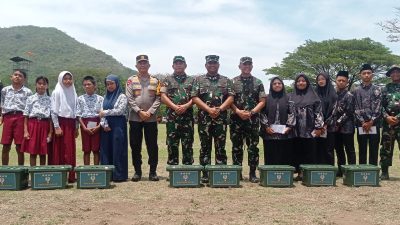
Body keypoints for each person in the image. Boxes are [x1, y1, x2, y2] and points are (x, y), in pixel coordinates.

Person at [192, 55, 234, 183]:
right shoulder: (198, 80)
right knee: (205, 146)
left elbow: (231, 98)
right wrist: (208, 109)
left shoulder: (226, 80)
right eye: (210, 63)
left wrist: (220, 109)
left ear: (218, 65)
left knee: (220, 146)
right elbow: (194, 97)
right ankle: (205, 173)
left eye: (214, 63)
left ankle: (220, 172)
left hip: (220, 119)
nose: (212, 65)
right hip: (204, 119)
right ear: (206, 65)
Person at [230, 57, 266, 182]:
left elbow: (262, 101)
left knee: (253, 147)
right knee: (236, 147)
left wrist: (251, 112)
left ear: (252, 66)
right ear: (239, 66)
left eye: (249, 64)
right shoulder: (232, 82)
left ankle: (252, 173)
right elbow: (229, 101)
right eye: (244, 64)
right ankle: (237, 172)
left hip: (253, 120)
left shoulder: (258, 82)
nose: (247, 66)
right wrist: (238, 111)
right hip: (236, 119)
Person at [126, 55, 161, 182]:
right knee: (135, 145)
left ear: (149, 65)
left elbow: (158, 98)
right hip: (135, 118)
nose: (142, 65)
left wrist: (150, 112)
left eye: (145, 63)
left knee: (152, 145)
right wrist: (139, 111)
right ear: (136, 66)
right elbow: (129, 98)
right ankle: (137, 171)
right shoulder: (131, 80)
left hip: (151, 119)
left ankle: (153, 171)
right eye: (140, 63)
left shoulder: (156, 81)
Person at [160, 56, 194, 165]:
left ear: (185, 65)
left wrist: (186, 106)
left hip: (187, 117)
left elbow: (195, 97)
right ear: (173, 66)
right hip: (172, 118)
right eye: (176, 63)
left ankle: (188, 170)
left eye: (181, 63)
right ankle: (173, 170)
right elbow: (163, 96)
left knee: (187, 144)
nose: (179, 65)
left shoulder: (192, 80)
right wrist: (175, 107)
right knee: (172, 144)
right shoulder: (166, 80)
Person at [290, 73, 324, 180]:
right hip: (295, 131)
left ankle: (309, 174)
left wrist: (319, 127)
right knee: (297, 151)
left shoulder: (314, 97)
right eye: (298, 81)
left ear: (307, 83)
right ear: (296, 83)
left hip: (310, 131)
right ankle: (299, 173)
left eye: (303, 81)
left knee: (310, 152)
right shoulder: (291, 97)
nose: (301, 83)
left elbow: (318, 113)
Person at [50, 71, 78, 183]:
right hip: (60, 123)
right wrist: (56, 126)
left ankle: (71, 176)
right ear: (60, 80)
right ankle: (58, 175)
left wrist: (76, 127)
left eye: (69, 78)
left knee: (70, 149)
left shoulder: (74, 92)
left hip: (71, 124)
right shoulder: (56, 92)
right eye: (65, 79)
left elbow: (76, 111)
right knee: (59, 149)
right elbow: (53, 111)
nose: (68, 81)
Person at [99, 74, 128, 182]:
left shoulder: (122, 96)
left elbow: (120, 110)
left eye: (112, 83)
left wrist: (105, 112)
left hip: (118, 126)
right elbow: (101, 113)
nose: (110, 86)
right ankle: (107, 174)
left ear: (117, 83)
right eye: (107, 84)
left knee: (118, 149)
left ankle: (119, 175)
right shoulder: (104, 97)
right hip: (107, 127)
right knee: (106, 149)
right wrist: (104, 124)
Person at [260, 77, 295, 166]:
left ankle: (284, 176)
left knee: (284, 155)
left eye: (279, 83)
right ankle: (270, 176)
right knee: (270, 154)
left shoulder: (288, 98)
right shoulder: (266, 98)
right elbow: (262, 113)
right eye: (274, 84)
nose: (277, 85)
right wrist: (266, 126)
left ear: (282, 85)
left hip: (285, 133)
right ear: (271, 86)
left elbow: (292, 113)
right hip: (269, 133)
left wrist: (289, 127)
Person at [0, 69, 32, 165]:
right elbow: (2, 104)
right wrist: (2, 116)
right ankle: (4, 171)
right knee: (6, 145)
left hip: (21, 118)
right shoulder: (5, 90)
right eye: (15, 75)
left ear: (24, 79)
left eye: (20, 75)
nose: (17, 77)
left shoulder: (28, 92)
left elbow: (29, 107)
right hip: (8, 117)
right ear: (11, 77)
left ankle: (21, 172)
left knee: (19, 146)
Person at [353, 64, 382, 166]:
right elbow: (355, 108)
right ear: (360, 75)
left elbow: (379, 106)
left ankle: (373, 172)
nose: (366, 75)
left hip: (375, 124)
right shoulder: (356, 90)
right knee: (362, 149)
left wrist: (371, 121)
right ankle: (362, 171)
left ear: (372, 75)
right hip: (361, 125)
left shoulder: (377, 89)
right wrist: (362, 122)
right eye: (364, 73)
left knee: (374, 149)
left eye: (368, 73)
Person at [21, 76, 52, 166]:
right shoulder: (30, 98)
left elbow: (51, 117)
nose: (41, 86)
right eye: (39, 83)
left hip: (44, 125)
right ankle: (33, 173)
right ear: (36, 85)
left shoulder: (50, 99)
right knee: (33, 151)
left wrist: (50, 132)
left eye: (44, 84)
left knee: (43, 151)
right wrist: (26, 131)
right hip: (33, 125)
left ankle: (41, 175)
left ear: (47, 86)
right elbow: (26, 116)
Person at [76, 76, 104, 165]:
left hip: (97, 123)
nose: (87, 86)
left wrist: (99, 126)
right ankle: (86, 170)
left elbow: (103, 114)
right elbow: (78, 114)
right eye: (85, 85)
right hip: (84, 124)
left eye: (89, 84)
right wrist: (84, 127)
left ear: (94, 85)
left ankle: (96, 170)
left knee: (96, 150)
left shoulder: (100, 98)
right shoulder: (80, 99)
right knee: (86, 150)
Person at [334, 71, 356, 177]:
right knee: (338, 149)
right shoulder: (333, 95)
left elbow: (349, 112)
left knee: (349, 149)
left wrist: (338, 122)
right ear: (336, 81)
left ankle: (351, 170)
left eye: (343, 81)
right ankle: (341, 169)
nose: (341, 82)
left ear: (347, 82)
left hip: (347, 127)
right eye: (339, 80)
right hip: (335, 128)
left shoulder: (349, 95)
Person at [379, 65, 400, 180]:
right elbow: (380, 106)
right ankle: (385, 172)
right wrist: (387, 117)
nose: (395, 74)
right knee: (386, 148)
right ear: (390, 75)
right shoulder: (385, 88)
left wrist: (397, 118)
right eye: (393, 72)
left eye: (397, 72)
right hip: (388, 125)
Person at [315, 72, 337, 165]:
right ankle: (317, 171)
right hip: (317, 127)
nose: (321, 81)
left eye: (323, 79)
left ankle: (329, 171)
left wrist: (325, 124)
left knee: (328, 149)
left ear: (327, 80)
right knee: (317, 148)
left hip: (329, 127)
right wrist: (319, 125)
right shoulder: (314, 93)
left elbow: (334, 110)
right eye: (319, 79)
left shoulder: (333, 94)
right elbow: (313, 110)